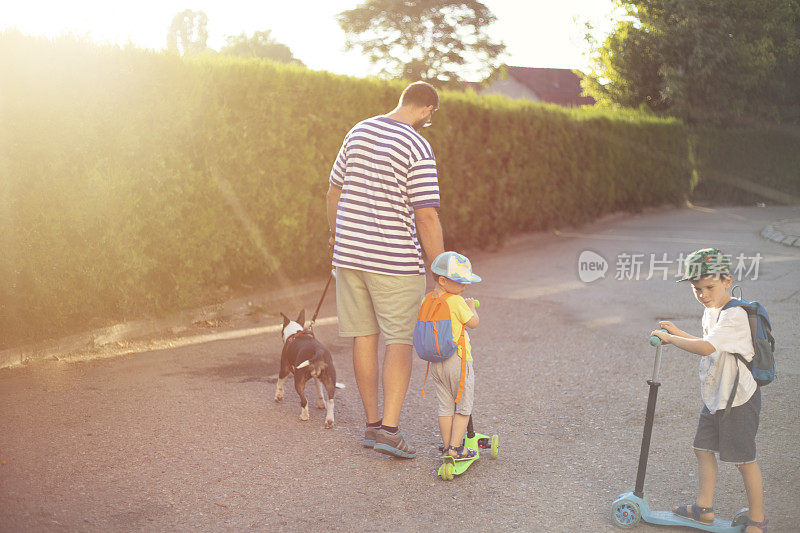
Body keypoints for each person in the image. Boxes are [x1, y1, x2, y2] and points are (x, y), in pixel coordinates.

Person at [326, 81, 445, 459]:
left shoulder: (359, 130)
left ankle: (373, 425)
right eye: (431, 114)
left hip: (350, 256)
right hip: (394, 261)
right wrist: (442, 271)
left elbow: (333, 192)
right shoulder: (417, 145)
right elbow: (425, 215)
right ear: (427, 109)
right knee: (399, 340)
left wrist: (336, 236)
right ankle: (390, 432)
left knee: (364, 337)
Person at [650, 248, 767, 533]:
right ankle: (704, 509)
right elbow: (708, 343)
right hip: (716, 396)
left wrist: (669, 338)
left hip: (738, 400)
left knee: (743, 461)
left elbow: (705, 348)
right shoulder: (712, 311)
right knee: (702, 449)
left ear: (727, 280)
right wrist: (677, 334)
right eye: (696, 288)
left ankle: (758, 520)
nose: (703, 294)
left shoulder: (735, 316)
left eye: (709, 287)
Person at [426, 251, 481, 461]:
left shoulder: (428, 300)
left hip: (436, 362)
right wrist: (470, 307)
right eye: (459, 281)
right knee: (464, 406)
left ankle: (447, 445)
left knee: (445, 406)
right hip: (458, 360)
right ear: (442, 280)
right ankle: (456, 449)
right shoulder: (456, 301)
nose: (464, 286)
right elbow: (473, 323)